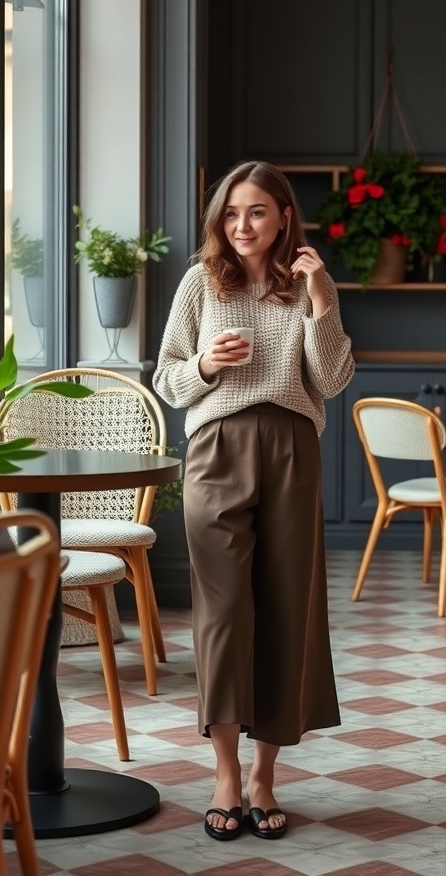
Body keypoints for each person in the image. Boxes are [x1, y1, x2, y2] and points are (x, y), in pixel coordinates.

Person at [153, 160, 354, 843]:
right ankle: (225, 775)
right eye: (232, 213)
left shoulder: (306, 285)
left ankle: (266, 776)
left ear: (284, 217)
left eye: (258, 212)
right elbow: (168, 379)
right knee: (223, 614)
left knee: (284, 611)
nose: (243, 226)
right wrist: (207, 363)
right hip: (215, 453)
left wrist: (322, 299)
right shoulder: (200, 281)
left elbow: (331, 377)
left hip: (292, 448)